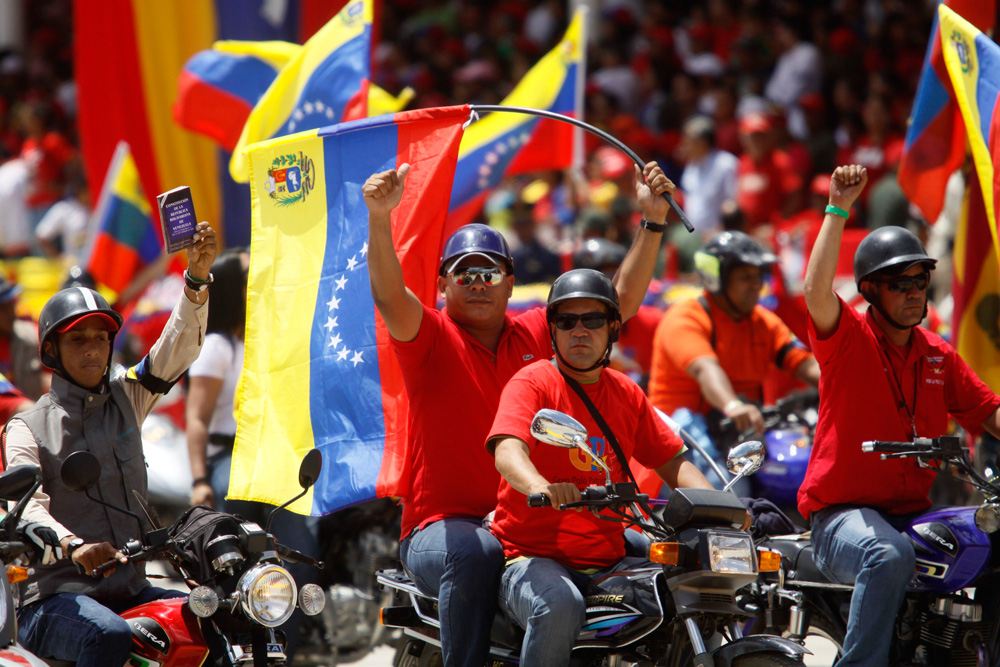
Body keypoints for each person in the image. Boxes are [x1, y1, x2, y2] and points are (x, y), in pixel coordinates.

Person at [363, 159, 675, 667]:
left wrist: (653, 220)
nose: (477, 281)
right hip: (444, 529)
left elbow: (614, 301)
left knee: (655, 552)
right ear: (442, 286)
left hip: (533, 526)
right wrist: (380, 219)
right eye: (463, 272)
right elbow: (388, 295)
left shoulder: (533, 333)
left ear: (511, 283)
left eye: (489, 271)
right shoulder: (430, 338)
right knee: (477, 552)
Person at [799, 165, 1000, 667]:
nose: (915, 291)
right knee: (887, 554)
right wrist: (837, 207)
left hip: (911, 512)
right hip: (841, 517)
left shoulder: (937, 353)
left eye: (921, 280)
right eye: (899, 283)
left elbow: (989, 411)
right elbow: (815, 291)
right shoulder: (846, 340)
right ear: (869, 291)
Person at [4, 221, 216, 667]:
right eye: (78, 339)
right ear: (51, 352)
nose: (93, 350)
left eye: (101, 338)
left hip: (130, 586)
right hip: (52, 599)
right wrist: (73, 545)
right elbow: (26, 508)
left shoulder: (127, 396)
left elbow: (175, 350)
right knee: (108, 635)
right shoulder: (27, 426)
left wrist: (195, 279)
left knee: (211, 620)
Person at [486, 269, 715, 666]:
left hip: (608, 558)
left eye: (592, 320)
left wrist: (722, 509)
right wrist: (542, 486)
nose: (579, 331)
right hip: (529, 558)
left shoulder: (625, 391)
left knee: (680, 589)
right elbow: (508, 450)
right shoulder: (533, 382)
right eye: (566, 321)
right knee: (559, 605)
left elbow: (674, 463)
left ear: (612, 329)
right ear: (552, 330)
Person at [647, 230, 820, 493]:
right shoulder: (686, 317)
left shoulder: (763, 321)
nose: (756, 285)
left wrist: (842, 382)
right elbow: (706, 370)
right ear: (717, 279)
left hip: (740, 435)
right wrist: (732, 405)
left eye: (758, 276)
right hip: (684, 443)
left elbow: (804, 363)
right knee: (733, 498)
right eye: (745, 277)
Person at [0, 277, 45, 400]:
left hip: (31, 415)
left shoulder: (32, 335)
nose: (11, 313)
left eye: (11, 305)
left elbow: (54, 376)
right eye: (2, 308)